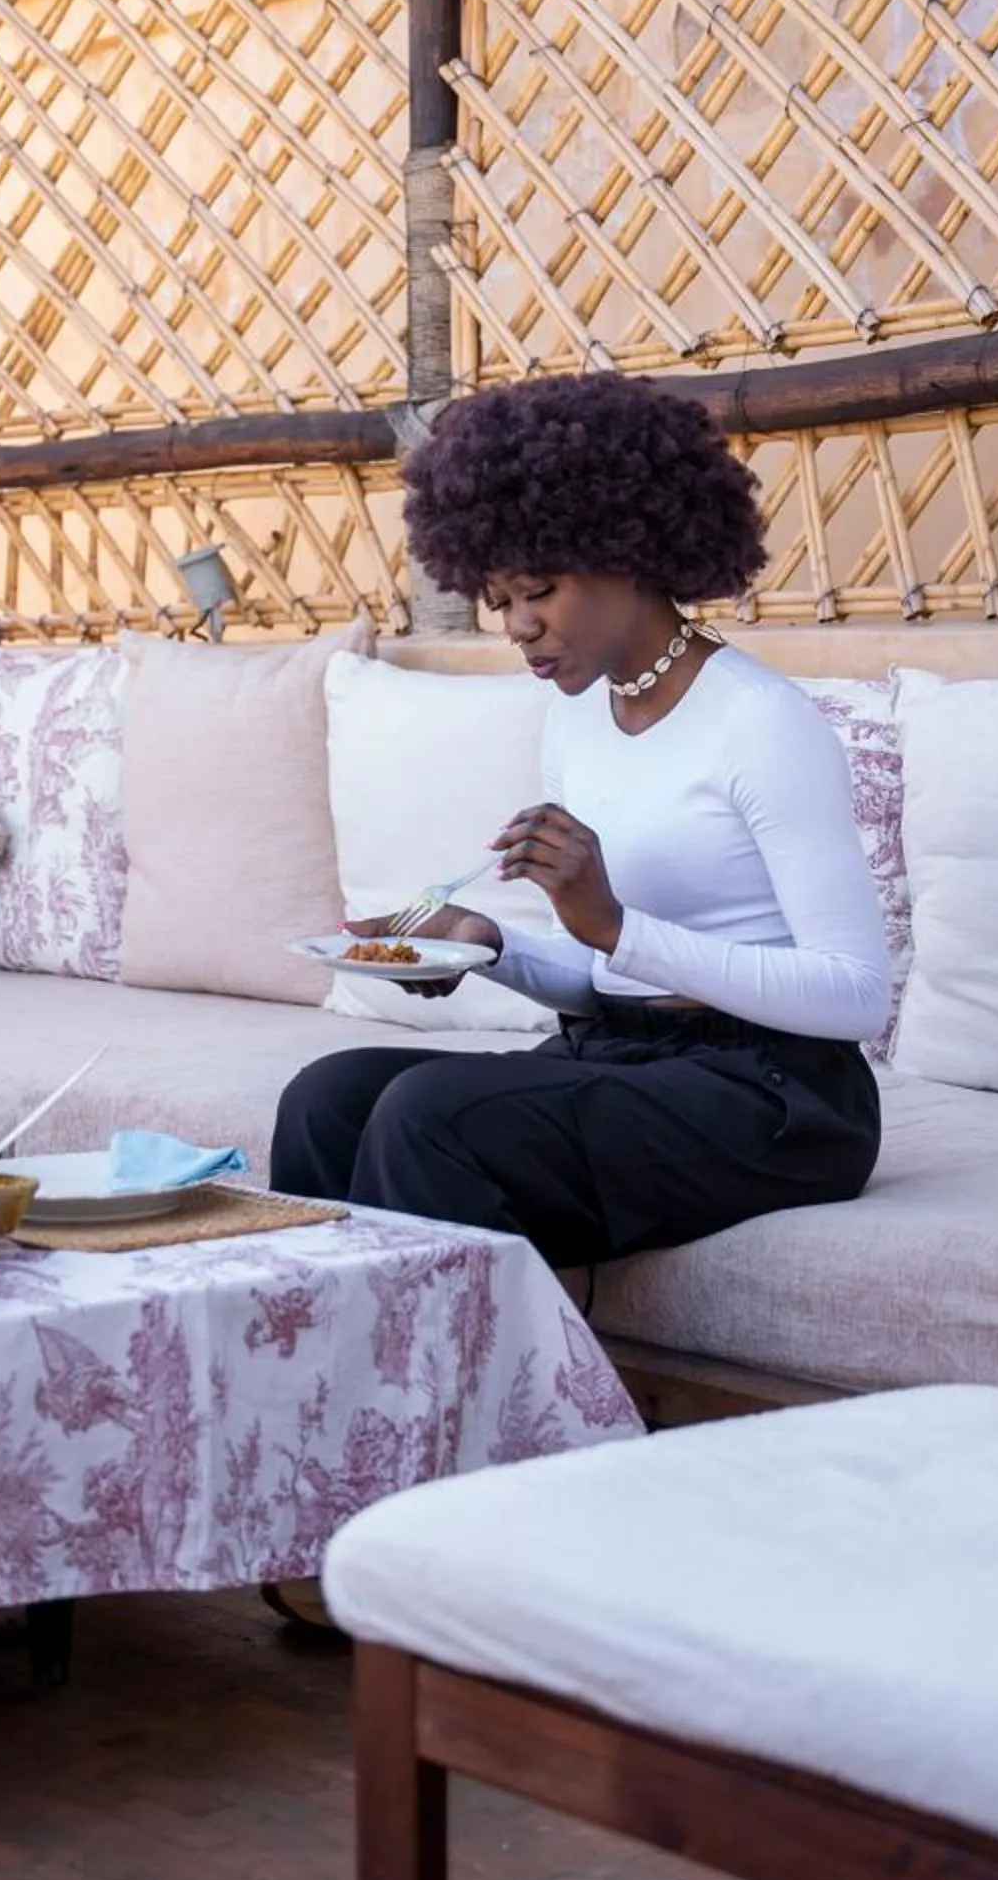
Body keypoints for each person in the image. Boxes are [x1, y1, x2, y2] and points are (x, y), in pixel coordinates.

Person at [269, 372, 888, 1270]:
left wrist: (616, 928)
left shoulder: (761, 721)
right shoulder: (577, 714)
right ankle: (334, 1379)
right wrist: (488, 946)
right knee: (328, 1097)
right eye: (502, 601)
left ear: (626, 548)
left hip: (777, 1095)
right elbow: (613, 985)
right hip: (627, 1057)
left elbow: (855, 996)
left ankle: (468, 1399)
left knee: (429, 1112)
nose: (518, 626)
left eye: (540, 591)